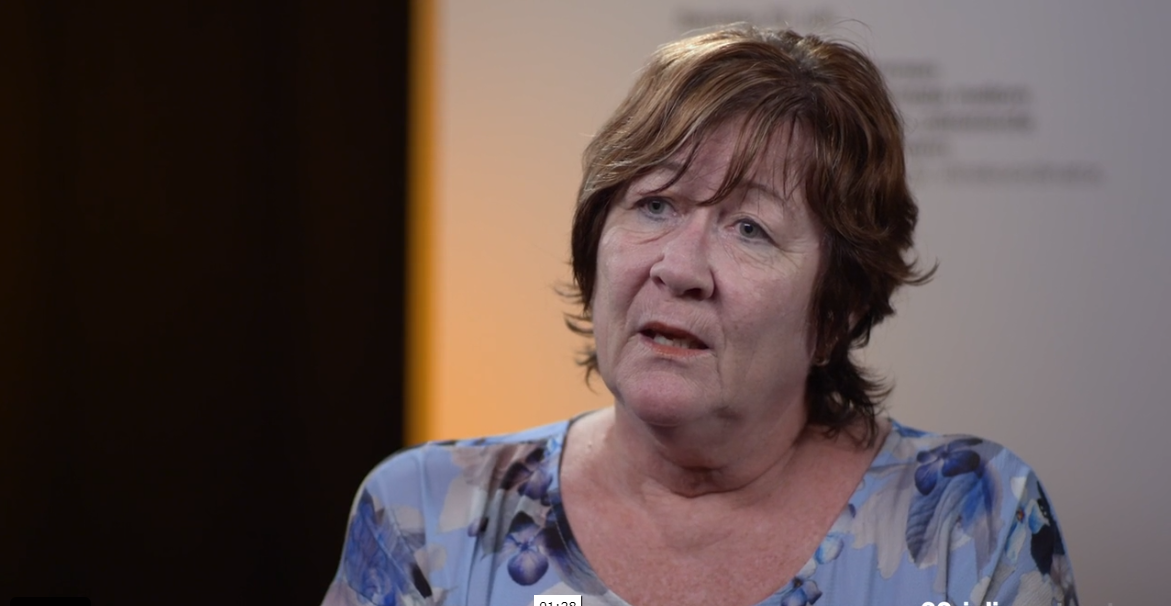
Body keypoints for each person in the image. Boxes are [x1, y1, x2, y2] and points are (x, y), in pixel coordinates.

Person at [321, 24, 1077, 606]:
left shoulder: (971, 519)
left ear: (836, 309)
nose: (677, 268)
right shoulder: (423, 512)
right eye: (654, 204)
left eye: (749, 228)